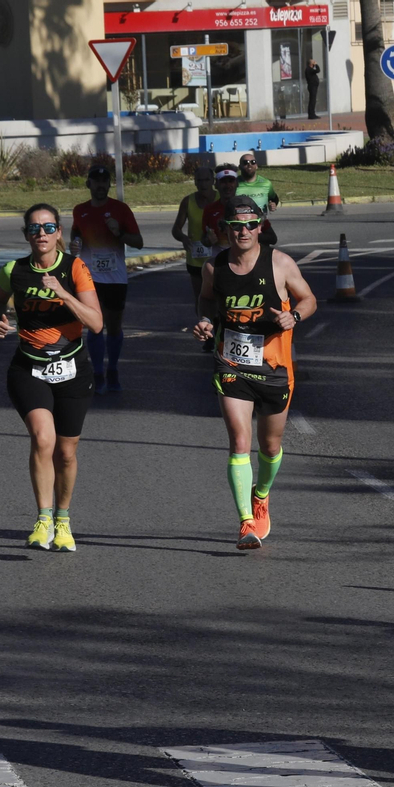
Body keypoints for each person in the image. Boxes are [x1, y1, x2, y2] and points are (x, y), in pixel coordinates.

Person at [193, 195, 318, 550]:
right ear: (225, 231)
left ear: (261, 227)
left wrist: (293, 315)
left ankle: (260, 494)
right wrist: (204, 320)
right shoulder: (213, 268)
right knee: (239, 442)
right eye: (235, 226)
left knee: (270, 444)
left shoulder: (280, 264)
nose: (243, 231)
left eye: (250, 224)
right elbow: (206, 299)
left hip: (274, 366)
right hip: (231, 364)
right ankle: (245, 522)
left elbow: (308, 300)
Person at [0, 204, 106, 553]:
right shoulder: (14, 270)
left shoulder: (75, 268)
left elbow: (97, 324)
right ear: (26, 235)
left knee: (66, 454)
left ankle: (63, 520)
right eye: (34, 229)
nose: (41, 234)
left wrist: (64, 293)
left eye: (48, 227)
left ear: (59, 233)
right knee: (43, 439)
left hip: (72, 368)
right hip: (29, 368)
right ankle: (42, 520)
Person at [70, 164, 143, 394]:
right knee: (93, 327)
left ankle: (112, 369)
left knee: (113, 327)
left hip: (115, 278)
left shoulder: (121, 209)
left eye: (105, 181)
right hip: (88, 277)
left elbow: (138, 242)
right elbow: (76, 233)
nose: (101, 185)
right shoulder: (79, 210)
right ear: (88, 184)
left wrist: (119, 234)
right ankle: (97, 374)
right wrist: (75, 244)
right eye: (96, 181)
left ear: (108, 184)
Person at [171, 163, 220, 307]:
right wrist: (183, 238)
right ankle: (203, 325)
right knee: (201, 299)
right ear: (195, 182)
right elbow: (176, 229)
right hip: (196, 259)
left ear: (212, 181)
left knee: (219, 299)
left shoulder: (221, 199)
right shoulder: (188, 201)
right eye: (199, 180)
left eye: (206, 180)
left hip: (218, 257)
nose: (202, 184)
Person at [235, 152, 281, 245]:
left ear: (257, 166)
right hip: (241, 227)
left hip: (261, 226)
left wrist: (273, 204)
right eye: (246, 162)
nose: (249, 165)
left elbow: (274, 198)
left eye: (253, 162)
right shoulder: (234, 184)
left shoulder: (266, 183)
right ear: (239, 167)